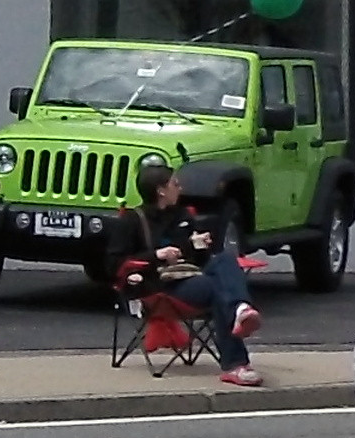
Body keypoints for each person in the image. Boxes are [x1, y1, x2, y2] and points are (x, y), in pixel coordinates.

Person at [107, 164, 264, 386]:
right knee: (219, 289)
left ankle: (240, 312)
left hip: (190, 275)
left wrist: (197, 245)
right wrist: (157, 255)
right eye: (175, 184)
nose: (180, 188)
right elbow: (113, 262)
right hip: (158, 285)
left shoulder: (182, 215)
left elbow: (198, 259)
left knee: (225, 259)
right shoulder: (133, 220)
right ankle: (236, 362)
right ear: (161, 190)